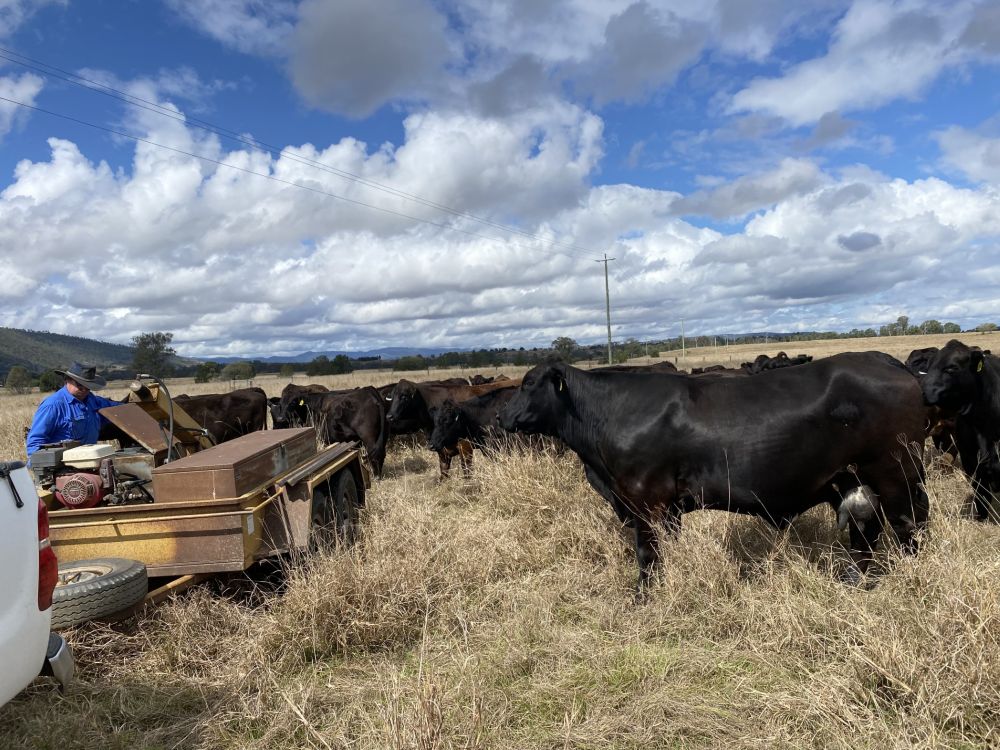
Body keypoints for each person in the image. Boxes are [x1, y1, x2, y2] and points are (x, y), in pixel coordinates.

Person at [25, 363, 122, 457]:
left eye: (88, 386)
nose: (84, 389)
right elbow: (35, 442)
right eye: (80, 385)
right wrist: (42, 468)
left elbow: (119, 408)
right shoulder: (53, 405)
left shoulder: (93, 401)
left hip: (89, 461)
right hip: (63, 467)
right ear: (67, 380)